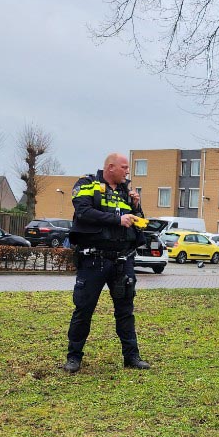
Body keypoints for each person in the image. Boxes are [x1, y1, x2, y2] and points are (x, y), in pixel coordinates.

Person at [62, 152, 151, 373]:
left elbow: (137, 223)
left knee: (125, 311)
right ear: (110, 167)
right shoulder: (88, 183)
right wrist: (116, 219)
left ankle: (132, 357)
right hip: (94, 260)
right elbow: (83, 212)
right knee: (84, 309)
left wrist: (137, 208)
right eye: (124, 167)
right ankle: (74, 358)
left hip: (122, 261)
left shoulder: (126, 191)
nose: (127, 171)